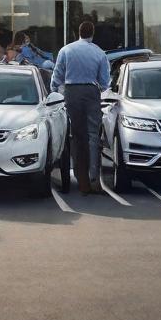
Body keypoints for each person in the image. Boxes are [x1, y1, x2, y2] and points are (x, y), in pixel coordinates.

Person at [51, 20, 110, 196]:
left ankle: (80, 177)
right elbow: (105, 82)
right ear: (92, 33)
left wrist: (54, 91)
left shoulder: (66, 50)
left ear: (78, 32)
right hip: (91, 92)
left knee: (75, 136)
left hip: (72, 92)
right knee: (93, 135)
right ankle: (93, 177)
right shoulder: (99, 52)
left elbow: (57, 76)